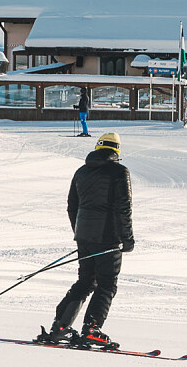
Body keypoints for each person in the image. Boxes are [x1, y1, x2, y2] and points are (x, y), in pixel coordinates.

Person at [37, 132, 135, 348]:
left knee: (86, 281)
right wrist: (127, 239)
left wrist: (81, 233)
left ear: (98, 147)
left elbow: (72, 206)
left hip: (84, 237)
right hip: (108, 238)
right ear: (117, 150)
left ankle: (60, 326)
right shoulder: (120, 172)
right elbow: (124, 208)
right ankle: (92, 329)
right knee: (107, 284)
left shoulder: (81, 171)